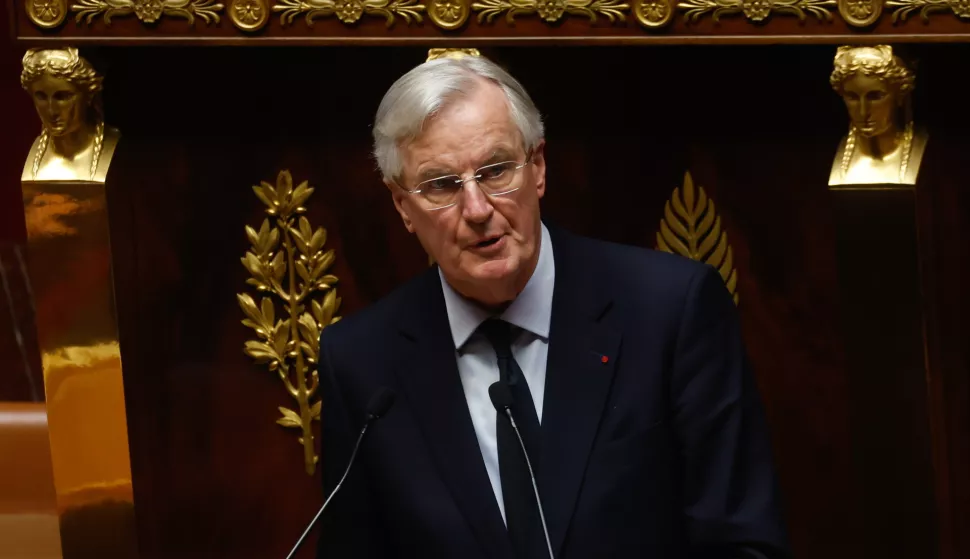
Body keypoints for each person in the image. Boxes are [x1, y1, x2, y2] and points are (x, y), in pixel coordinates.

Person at [315, 54, 789, 559]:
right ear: (402, 206)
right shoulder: (362, 362)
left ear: (537, 167)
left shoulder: (670, 310)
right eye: (442, 185)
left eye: (496, 170)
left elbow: (743, 543)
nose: (476, 211)